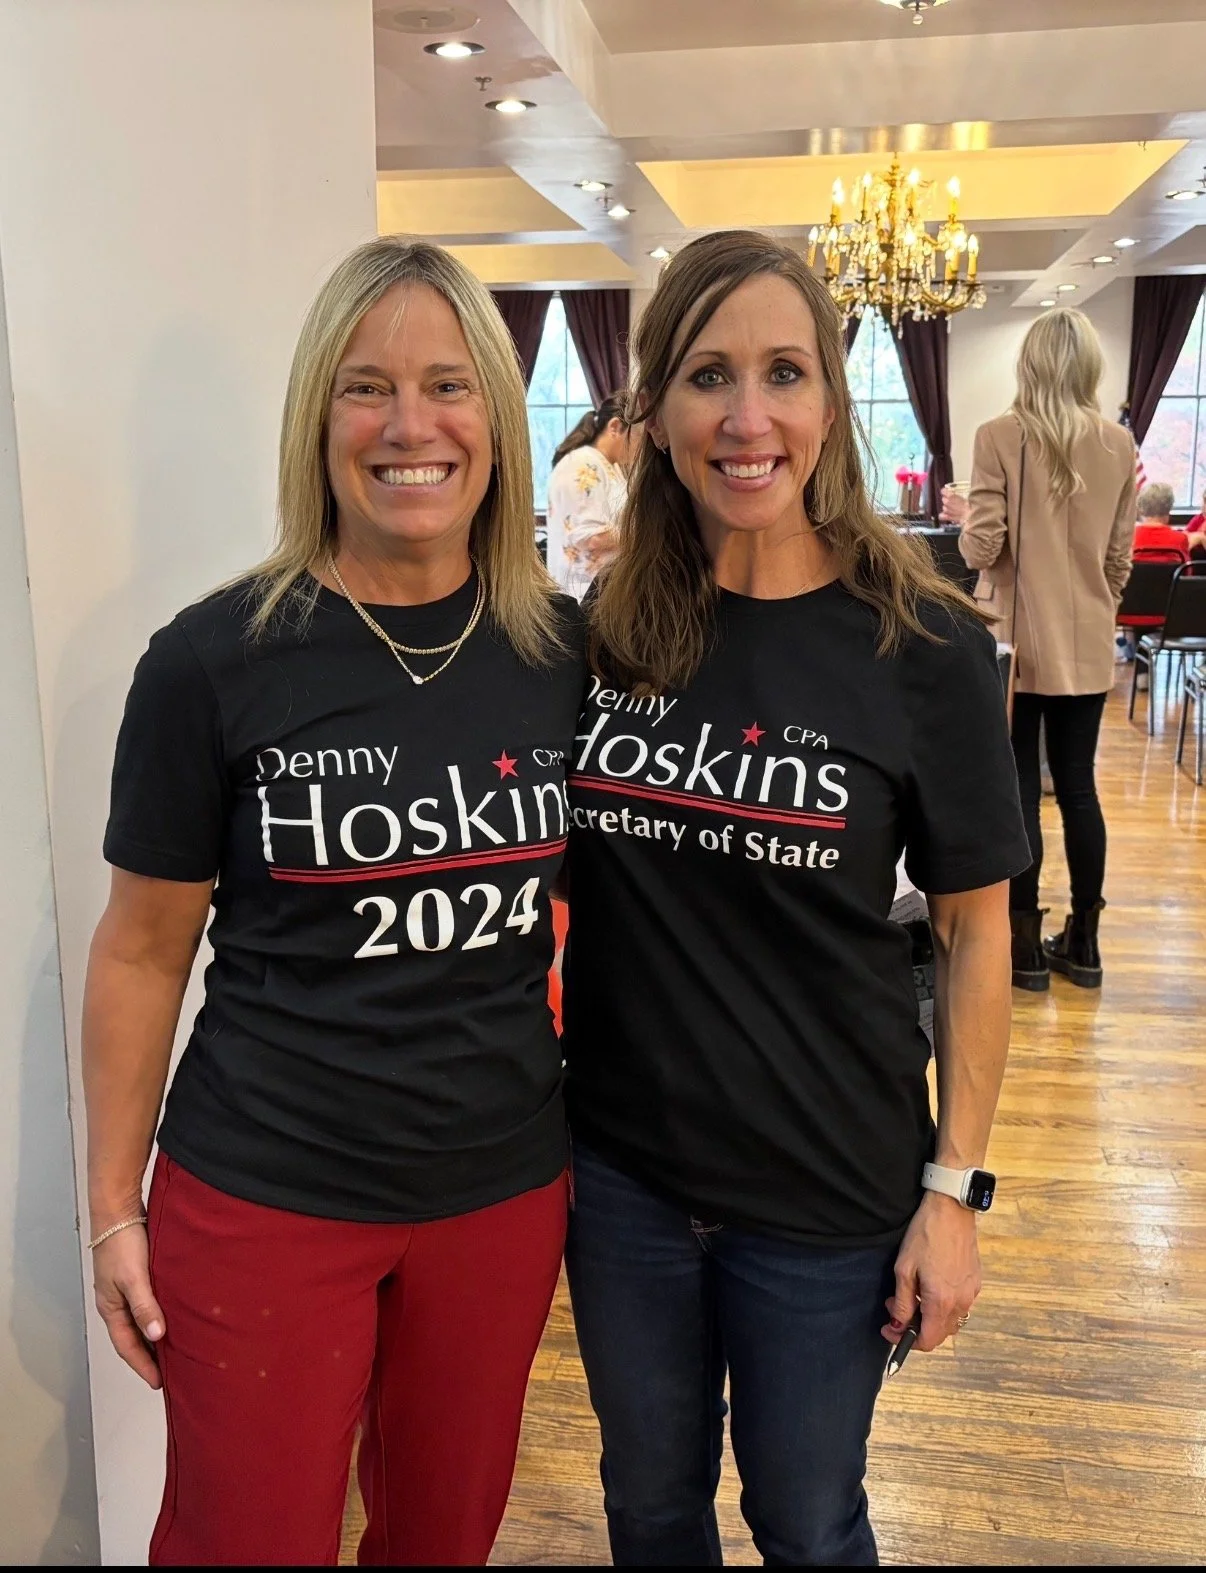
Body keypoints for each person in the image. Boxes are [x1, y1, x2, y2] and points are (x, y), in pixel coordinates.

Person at [82, 236, 584, 1566]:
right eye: (367, 387)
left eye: (448, 385)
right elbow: (141, 952)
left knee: (440, 1537)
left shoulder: (562, 656)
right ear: (319, 418)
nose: (409, 426)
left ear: (496, 419)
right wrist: (110, 1209)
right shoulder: (211, 661)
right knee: (243, 1541)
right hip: (263, 1192)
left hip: (498, 1191)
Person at [561, 229, 1030, 1566]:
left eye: (783, 371)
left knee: (804, 1520)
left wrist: (955, 1192)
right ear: (655, 411)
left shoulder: (925, 646)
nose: (747, 416)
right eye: (709, 375)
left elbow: (972, 926)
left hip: (825, 1195)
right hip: (623, 1178)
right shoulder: (608, 631)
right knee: (648, 1508)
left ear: (830, 397)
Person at [959, 307, 1136, 992]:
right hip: (1088, 637)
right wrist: (1096, 603)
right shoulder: (1118, 444)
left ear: (1028, 363)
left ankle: (1025, 942)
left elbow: (983, 548)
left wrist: (964, 509)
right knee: (1080, 786)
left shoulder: (1000, 435)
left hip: (1014, 640)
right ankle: (1085, 942)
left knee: (1018, 791)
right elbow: (1118, 558)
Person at [545, 392, 639, 599]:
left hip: (601, 590)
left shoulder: (607, 466)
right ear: (615, 427)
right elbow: (591, 537)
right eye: (639, 436)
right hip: (582, 594)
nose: (640, 447)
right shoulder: (585, 465)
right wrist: (644, 538)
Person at [1133, 479, 1206, 556]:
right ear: (1169, 507)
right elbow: (1186, 568)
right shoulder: (1180, 540)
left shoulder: (1129, 539)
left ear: (1140, 508)